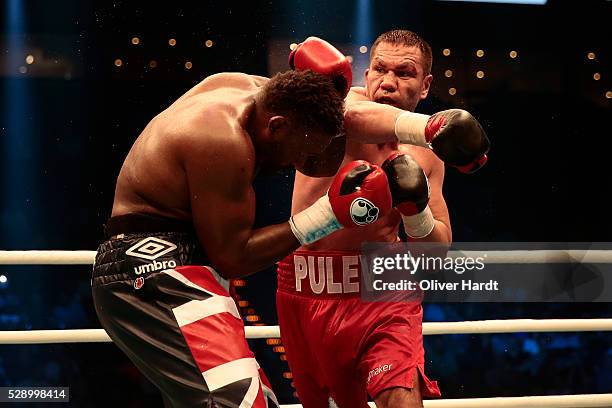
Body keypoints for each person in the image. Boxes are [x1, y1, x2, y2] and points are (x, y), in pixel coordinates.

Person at [91, 66, 397, 407]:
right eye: (299, 152)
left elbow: (329, 131)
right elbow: (233, 258)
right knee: (241, 402)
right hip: (151, 272)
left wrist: (421, 129)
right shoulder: (223, 142)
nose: (300, 163)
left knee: (257, 399)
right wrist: (327, 215)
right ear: (278, 125)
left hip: (172, 269)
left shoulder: (248, 89)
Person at [277, 31, 490, 407]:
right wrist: (426, 128)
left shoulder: (427, 154)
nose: (388, 82)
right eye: (379, 69)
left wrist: (415, 210)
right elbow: (356, 117)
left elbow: (436, 251)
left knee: (403, 397)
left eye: (404, 73)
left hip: (385, 293)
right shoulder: (339, 108)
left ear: (425, 86)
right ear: (366, 72)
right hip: (310, 287)